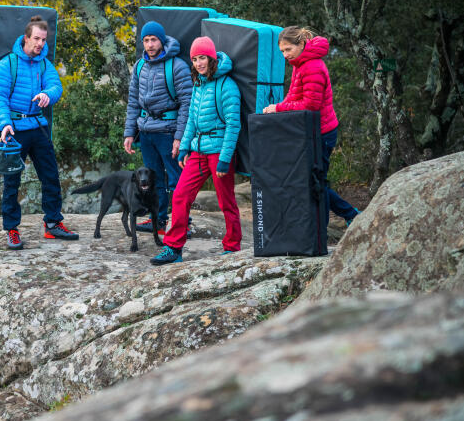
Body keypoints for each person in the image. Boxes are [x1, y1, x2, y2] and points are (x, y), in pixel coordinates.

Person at [151, 37, 242, 265]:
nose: (199, 63)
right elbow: (191, 118)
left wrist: (225, 159)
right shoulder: (198, 83)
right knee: (180, 195)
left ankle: (232, 247)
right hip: (198, 152)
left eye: (202, 58)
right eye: (195, 59)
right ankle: (173, 248)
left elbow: (233, 125)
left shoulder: (227, 86)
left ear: (211, 58)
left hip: (219, 152)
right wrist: (183, 147)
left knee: (226, 201)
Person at [0, 15, 78, 250]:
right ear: (26, 38)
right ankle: (11, 229)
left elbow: (55, 86)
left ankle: (52, 223)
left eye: (44, 39)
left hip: (38, 128)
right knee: (12, 182)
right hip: (14, 131)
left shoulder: (44, 65)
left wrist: (47, 95)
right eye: (37, 39)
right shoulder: (7, 64)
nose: (40, 44)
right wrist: (5, 123)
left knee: (50, 176)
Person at [262, 26, 360, 226]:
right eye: (282, 51)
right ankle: (347, 216)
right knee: (312, 180)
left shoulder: (312, 66)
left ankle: (340, 220)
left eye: (288, 49)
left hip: (322, 133)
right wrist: (278, 110)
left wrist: (279, 109)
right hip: (311, 131)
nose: (285, 55)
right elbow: (294, 95)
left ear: (301, 44)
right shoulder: (301, 62)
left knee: (316, 181)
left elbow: (310, 105)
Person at [123, 21, 193, 235]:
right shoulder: (139, 66)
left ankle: (182, 224)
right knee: (153, 181)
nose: (150, 44)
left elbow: (186, 104)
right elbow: (133, 101)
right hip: (145, 133)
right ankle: (160, 222)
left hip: (168, 132)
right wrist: (129, 133)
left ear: (162, 41)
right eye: (146, 40)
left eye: (154, 40)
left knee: (176, 180)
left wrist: (179, 137)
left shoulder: (177, 66)